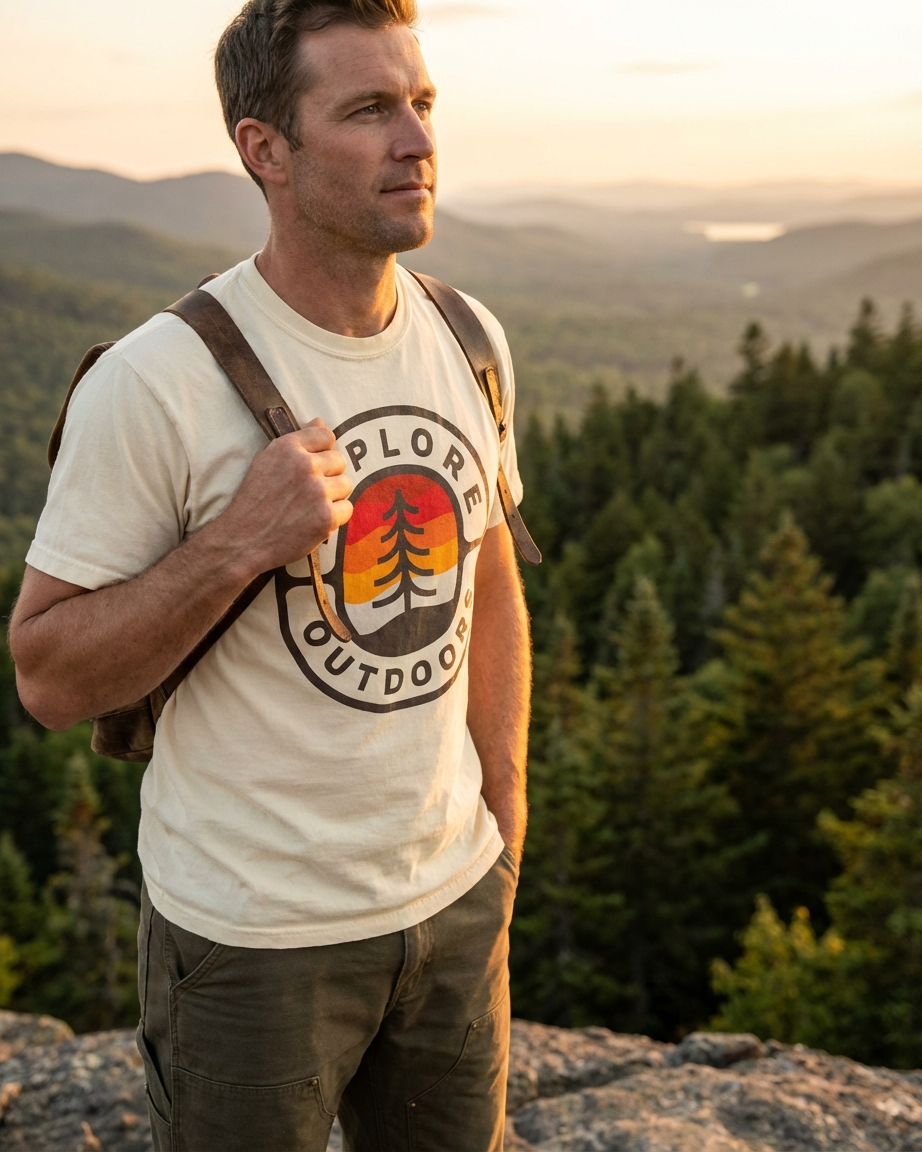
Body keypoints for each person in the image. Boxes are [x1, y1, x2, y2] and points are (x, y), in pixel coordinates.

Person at [9, 0, 531, 1148]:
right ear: (265, 150)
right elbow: (46, 675)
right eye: (368, 109)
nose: (417, 140)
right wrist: (238, 541)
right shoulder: (155, 382)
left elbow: (490, 573)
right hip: (250, 945)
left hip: (451, 910)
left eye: (422, 103)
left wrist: (501, 810)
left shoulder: (466, 334)